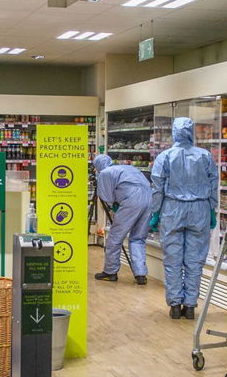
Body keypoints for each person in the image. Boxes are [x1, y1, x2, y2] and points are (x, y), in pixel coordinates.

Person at [149, 117, 218, 320]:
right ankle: (190, 305)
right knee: (195, 260)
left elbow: (157, 186)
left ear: (173, 132)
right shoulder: (205, 156)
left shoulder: (165, 157)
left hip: (172, 208)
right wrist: (212, 209)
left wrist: (155, 212)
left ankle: (175, 304)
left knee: (172, 259)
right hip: (200, 209)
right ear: (192, 131)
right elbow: (213, 183)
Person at [92, 153, 153, 285]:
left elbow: (107, 197)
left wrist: (114, 207)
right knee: (138, 238)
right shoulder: (127, 168)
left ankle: (110, 272)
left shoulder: (105, 172)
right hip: (148, 198)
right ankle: (140, 274)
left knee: (115, 237)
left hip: (132, 200)